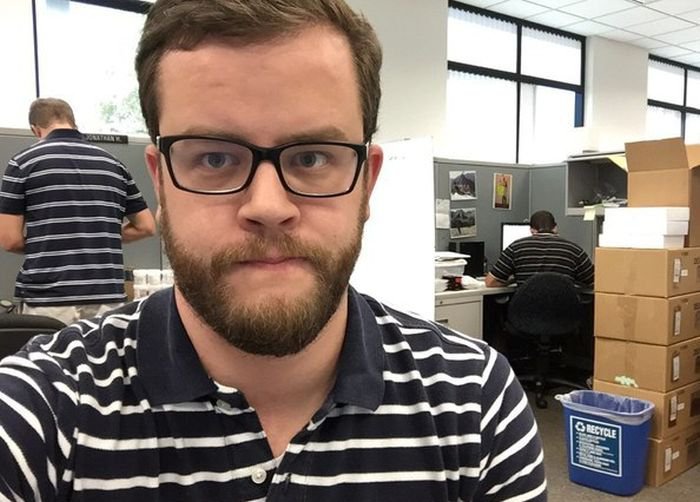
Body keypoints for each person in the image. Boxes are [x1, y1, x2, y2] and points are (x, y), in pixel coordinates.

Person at [0, 1, 546, 500]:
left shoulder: (474, 400)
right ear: (161, 182)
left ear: (367, 183)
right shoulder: (41, 408)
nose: (267, 206)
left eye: (311, 157)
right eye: (214, 158)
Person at [0, 98, 156, 324]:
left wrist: (56, 243)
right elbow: (147, 226)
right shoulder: (113, 164)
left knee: (49, 350)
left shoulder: (23, 163)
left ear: (36, 129)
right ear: (73, 122)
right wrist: (96, 239)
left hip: (49, 299)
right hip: (107, 296)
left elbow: (9, 240)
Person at [485, 210, 594, 288]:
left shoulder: (515, 248)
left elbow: (490, 282)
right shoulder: (574, 250)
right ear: (555, 228)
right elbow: (594, 282)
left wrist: (512, 281)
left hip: (525, 310)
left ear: (532, 230)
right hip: (563, 311)